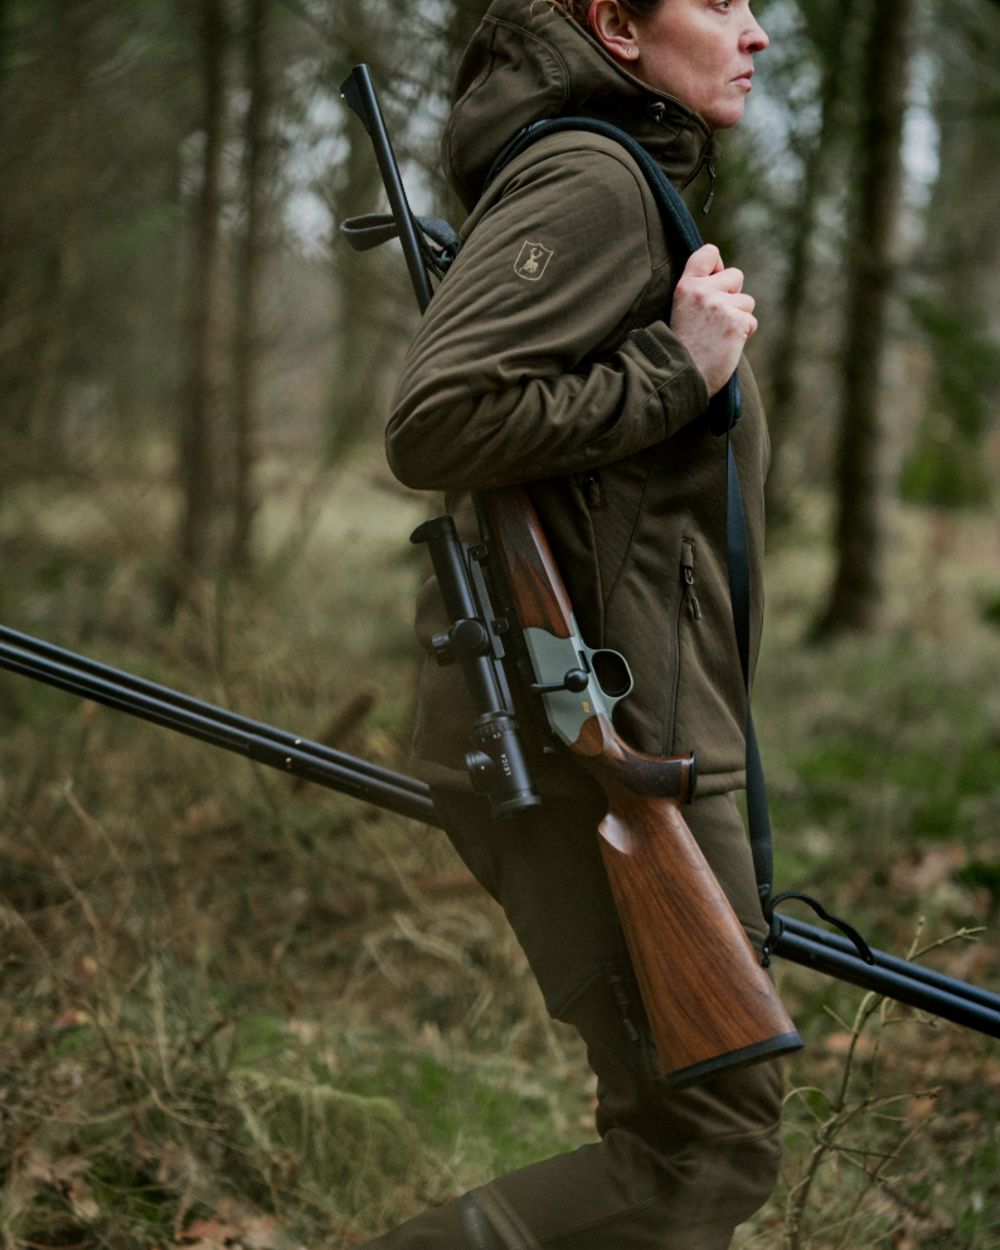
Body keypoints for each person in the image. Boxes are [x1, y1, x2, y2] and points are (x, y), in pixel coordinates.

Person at [374, 1, 779, 1246]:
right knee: (697, 1157)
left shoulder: (609, 170)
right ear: (613, 22)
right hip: (590, 740)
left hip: (635, 729)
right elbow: (435, 419)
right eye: (717, 1)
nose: (756, 31)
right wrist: (679, 371)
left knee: (691, 1150)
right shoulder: (593, 178)